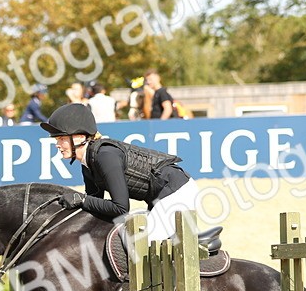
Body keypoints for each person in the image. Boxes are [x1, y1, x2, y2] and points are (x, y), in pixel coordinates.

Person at [40, 103, 200, 243]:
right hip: (160, 198)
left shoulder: (105, 156)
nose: (57, 145)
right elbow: (95, 204)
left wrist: (81, 200)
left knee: (141, 243)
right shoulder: (87, 163)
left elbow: (121, 208)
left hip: (177, 193)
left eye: (61, 139)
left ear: (79, 137)